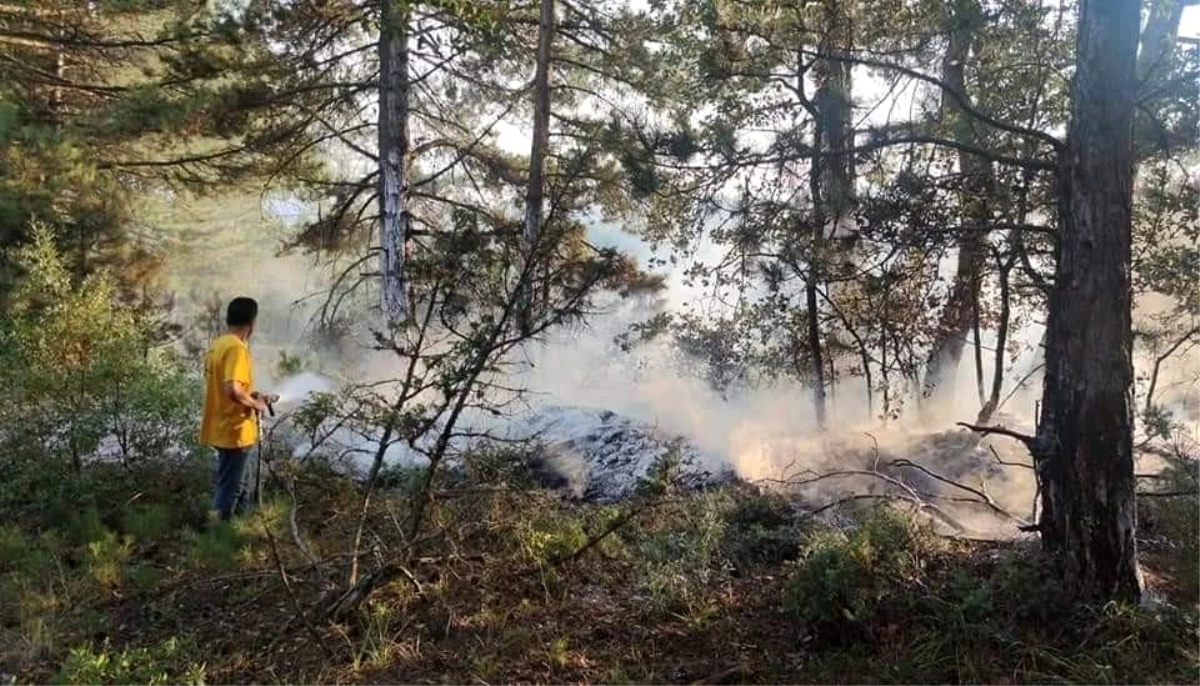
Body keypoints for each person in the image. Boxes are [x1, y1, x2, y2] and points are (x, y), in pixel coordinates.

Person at [199, 297, 278, 522]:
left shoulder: (219, 345)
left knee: (240, 485)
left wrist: (253, 395)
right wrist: (257, 404)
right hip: (234, 431)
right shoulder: (236, 349)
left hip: (221, 425)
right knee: (229, 489)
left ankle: (239, 531)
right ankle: (215, 535)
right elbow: (232, 389)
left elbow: (230, 387)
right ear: (252, 322)